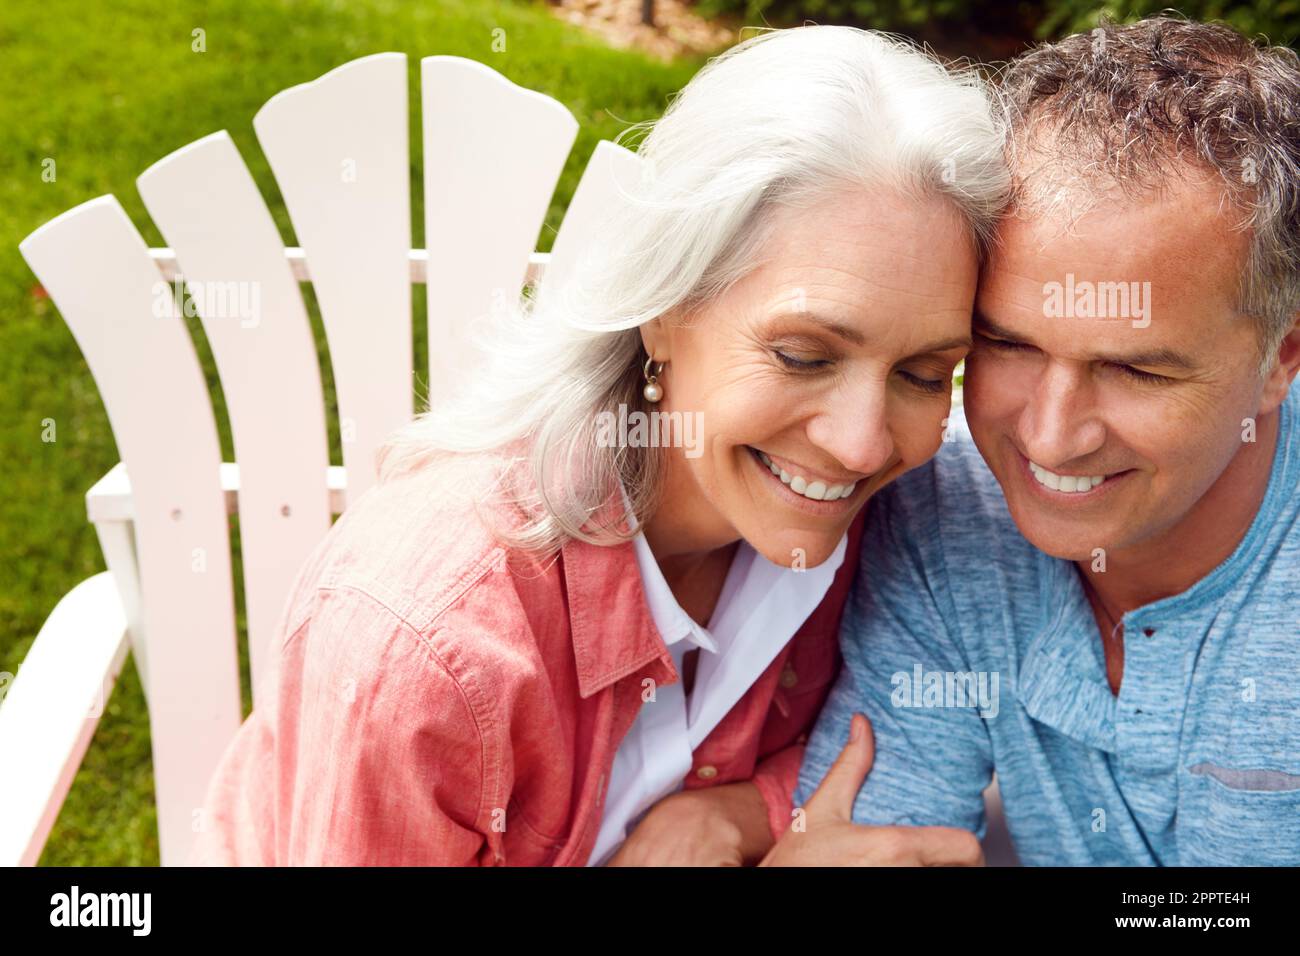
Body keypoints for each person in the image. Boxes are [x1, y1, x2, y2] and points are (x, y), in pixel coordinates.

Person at [186, 24, 1009, 866]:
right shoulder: (425, 651)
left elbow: (888, 743)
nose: (863, 444)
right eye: (803, 355)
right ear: (664, 310)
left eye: (922, 374)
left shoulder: (898, 520)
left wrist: (735, 816)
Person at [777, 15, 1300, 866]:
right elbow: (881, 839)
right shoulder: (944, 515)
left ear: (1281, 356)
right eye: (1009, 345)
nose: (1051, 439)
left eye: (1137, 371)